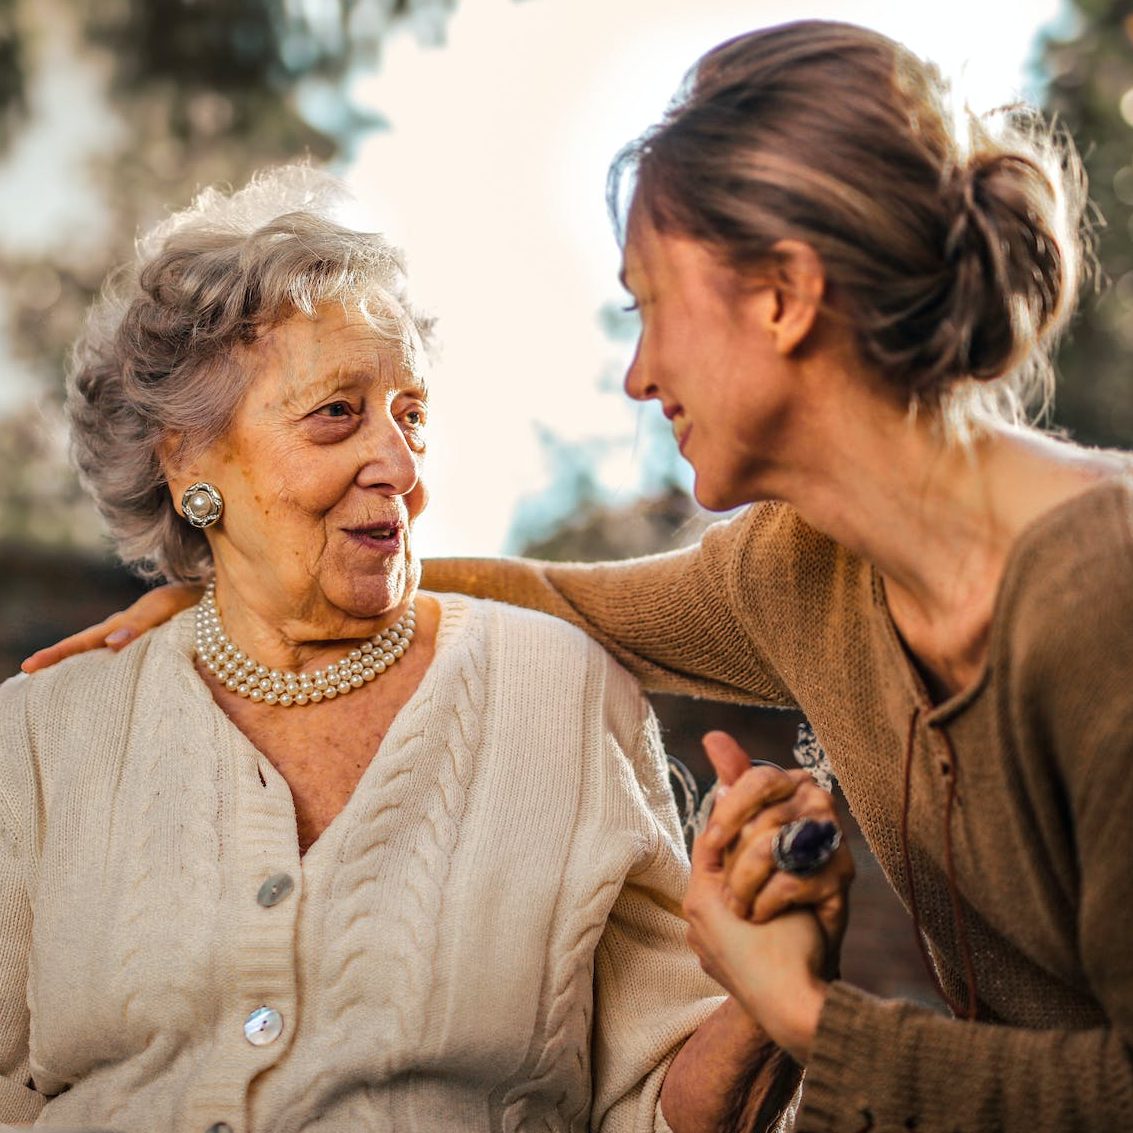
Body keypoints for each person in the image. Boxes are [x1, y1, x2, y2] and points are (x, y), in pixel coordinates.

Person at [24, 18, 1132, 1130]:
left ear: (785, 297)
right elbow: (559, 597)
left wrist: (802, 1012)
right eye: (334, 418)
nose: (638, 374)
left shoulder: (1101, 592)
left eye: (649, 305)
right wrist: (237, 581)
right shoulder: (799, 572)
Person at [0, 164, 813, 1132]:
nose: (399, 466)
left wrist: (769, 995)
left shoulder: (555, 692)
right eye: (337, 412)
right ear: (186, 459)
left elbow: (654, 1104)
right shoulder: (46, 731)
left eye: (411, 415)